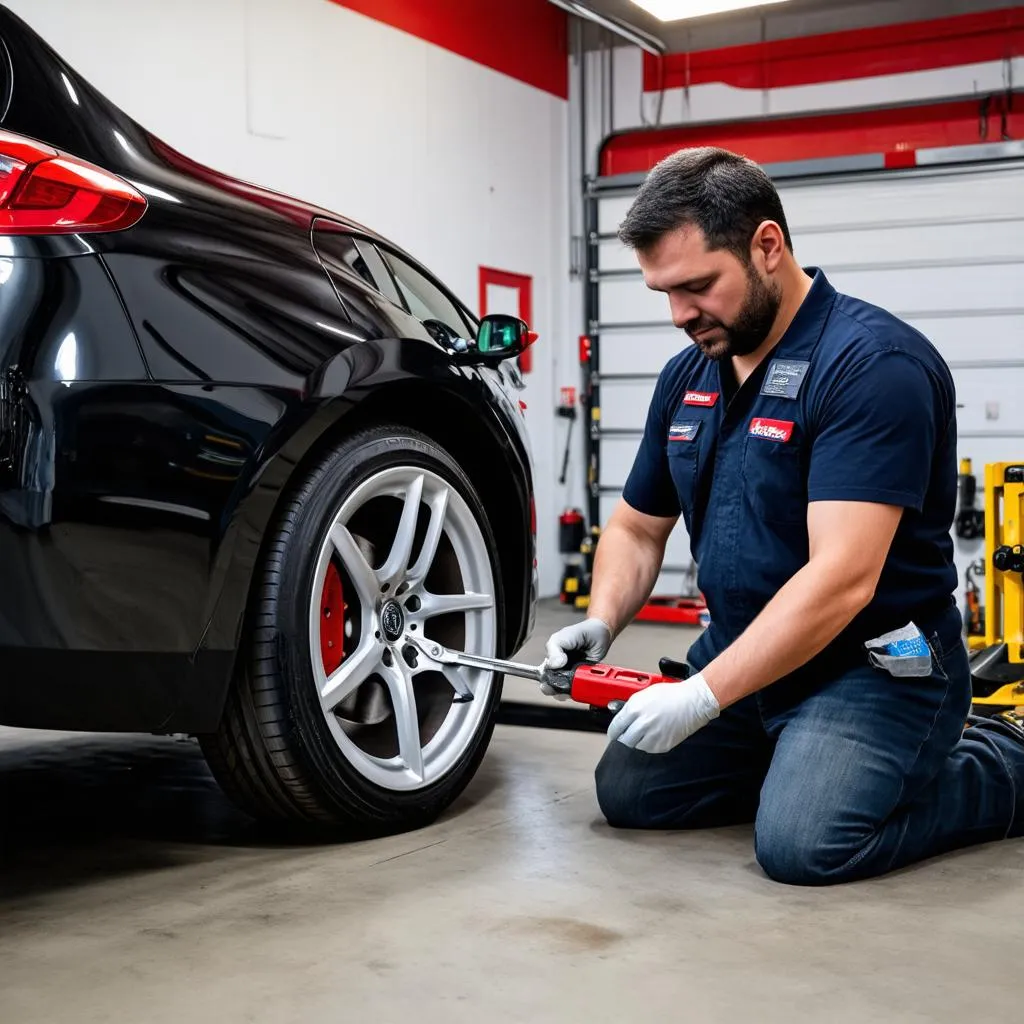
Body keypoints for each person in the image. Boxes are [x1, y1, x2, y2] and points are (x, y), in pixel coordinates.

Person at [542, 146, 1024, 886]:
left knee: (805, 844)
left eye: (697, 286)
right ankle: (802, 756)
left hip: (869, 668)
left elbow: (843, 580)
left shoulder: (872, 367)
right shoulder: (689, 376)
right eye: (663, 293)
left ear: (767, 246)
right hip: (744, 655)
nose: (679, 316)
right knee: (630, 792)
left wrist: (702, 697)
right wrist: (601, 621)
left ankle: (1003, 760)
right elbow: (639, 528)